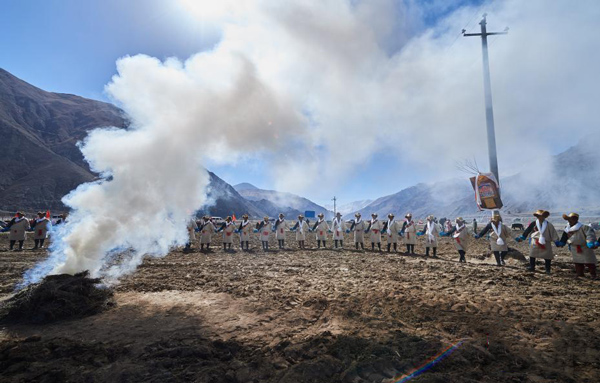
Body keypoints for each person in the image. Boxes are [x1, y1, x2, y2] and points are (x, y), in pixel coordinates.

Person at [515, 210, 559, 274]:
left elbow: (553, 233)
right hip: (535, 242)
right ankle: (532, 267)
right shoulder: (533, 223)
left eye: (541, 216)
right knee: (532, 255)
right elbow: (527, 230)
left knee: (547, 257)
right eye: (538, 216)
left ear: (544, 216)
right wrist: (523, 237)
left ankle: (547, 269)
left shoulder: (549, 225)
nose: (540, 217)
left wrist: (556, 241)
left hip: (545, 242)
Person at [557, 213, 597, 279]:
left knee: (589, 262)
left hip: (585, 247)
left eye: (571, 219)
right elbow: (564, 237)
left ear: (576, 219)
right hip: (574, 248)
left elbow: (590, 235)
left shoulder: (584, 227)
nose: (569, 221)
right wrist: (562, 242)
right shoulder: (567, 229)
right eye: (568, 219)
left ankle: (593, 275)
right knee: (578, 262)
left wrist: (590, 242)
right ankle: (580, 274)